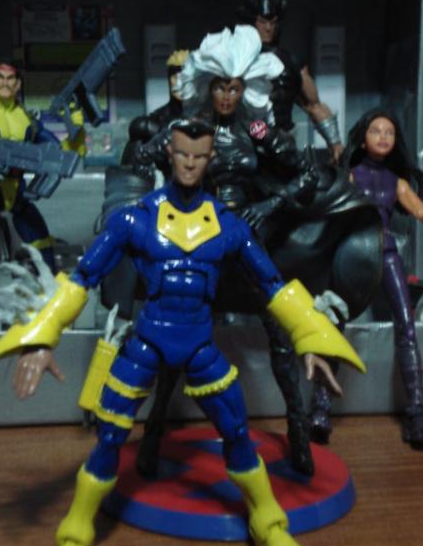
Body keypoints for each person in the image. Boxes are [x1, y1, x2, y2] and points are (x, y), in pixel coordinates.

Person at [0, 119, 365, 546]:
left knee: (237, 432)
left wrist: (310, 336)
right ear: (169, 153)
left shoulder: (228, 226)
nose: (189, 163)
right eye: (183, 153)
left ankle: (268, 523)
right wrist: (43, 336)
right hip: (146, 342)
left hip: (200, 345)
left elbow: (271, 284)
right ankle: (75, 534)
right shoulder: (135, 219)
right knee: (109, 437)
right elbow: (83, 276)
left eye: (199, 156)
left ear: (210, 160)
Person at [134, 24, 323, 478]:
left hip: (244, 239)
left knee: (280, 334)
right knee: (176, 337)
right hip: (197, 242)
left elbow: (307, 174)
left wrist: (270, 204)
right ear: (208, 85)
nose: (226, 96)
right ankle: (152, 436)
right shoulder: (188, 129)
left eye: (234, 88)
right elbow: (141, 157)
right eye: (219, 86)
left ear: (245, 89)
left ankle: (299, 435)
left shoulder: (256, 129)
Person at [310, 108, 423, 450]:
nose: (383, 137)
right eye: (376, 131)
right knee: (334, 325)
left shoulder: (397, 183)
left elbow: (422, 213)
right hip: (352, 256)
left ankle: (417, 414)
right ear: (363, 138)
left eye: (389, 132)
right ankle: (320, 409)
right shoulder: (350, 177)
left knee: (407, 326)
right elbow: (328, 210)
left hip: (386, 254)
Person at [0, 57, 85, 328]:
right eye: (0, 77)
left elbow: (60, 154)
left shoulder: (25, 117)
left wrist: (76, 128)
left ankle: (46, 316)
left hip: (16, 192)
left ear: (18, 84)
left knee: (43, 249)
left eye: (10, 78)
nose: (5, 83)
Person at [237, 0, 344, 162]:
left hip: (282, 145)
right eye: (263, 21)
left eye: (273, 22)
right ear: (252, 21)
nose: (268, 28)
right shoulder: (235, 60)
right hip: (244, 146)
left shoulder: (290, 63)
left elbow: (314, 105)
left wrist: (335, 144)